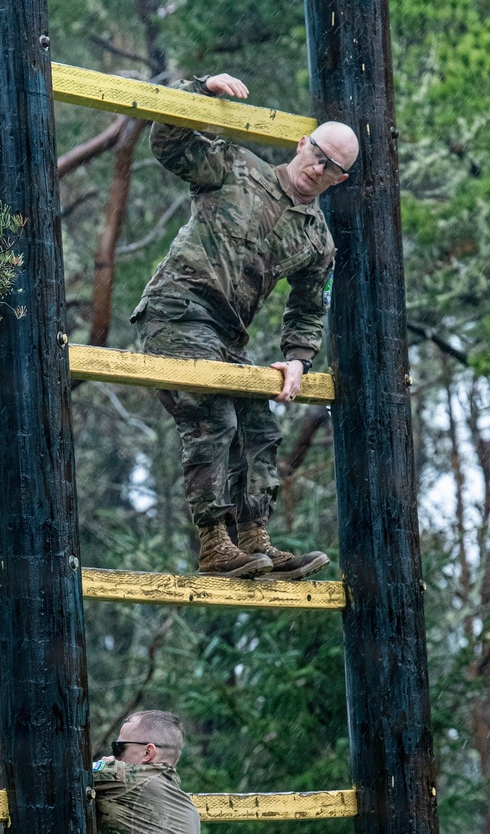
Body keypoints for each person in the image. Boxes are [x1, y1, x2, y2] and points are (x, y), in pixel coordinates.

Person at [132, 73, 360, 580]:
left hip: (225, 335)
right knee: (213, 415)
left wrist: (298, 360)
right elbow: (168, 143)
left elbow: (308, 308)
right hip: (175, 310)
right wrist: (201, 90)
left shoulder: (317, 240)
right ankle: (215, 543)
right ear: (302, 144)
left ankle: (255, 542)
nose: (317, 168)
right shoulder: (235, 167)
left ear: (339, 179)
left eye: (331, 167)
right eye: (316, 154)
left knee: (258, 421)